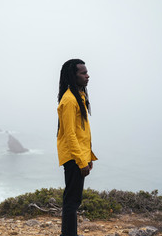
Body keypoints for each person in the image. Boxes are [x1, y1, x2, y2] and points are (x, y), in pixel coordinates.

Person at [57, 59, 98, 236]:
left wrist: (88, 156)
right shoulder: (69, 100)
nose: (87, 75)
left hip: (80, 156)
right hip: (74, 157)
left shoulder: (79, 96)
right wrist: (81, 161)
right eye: (83, 73)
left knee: (73, 200)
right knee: (72, 202)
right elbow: (70, 134)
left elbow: (82, 132)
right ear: (73, 76)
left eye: (87, 72)